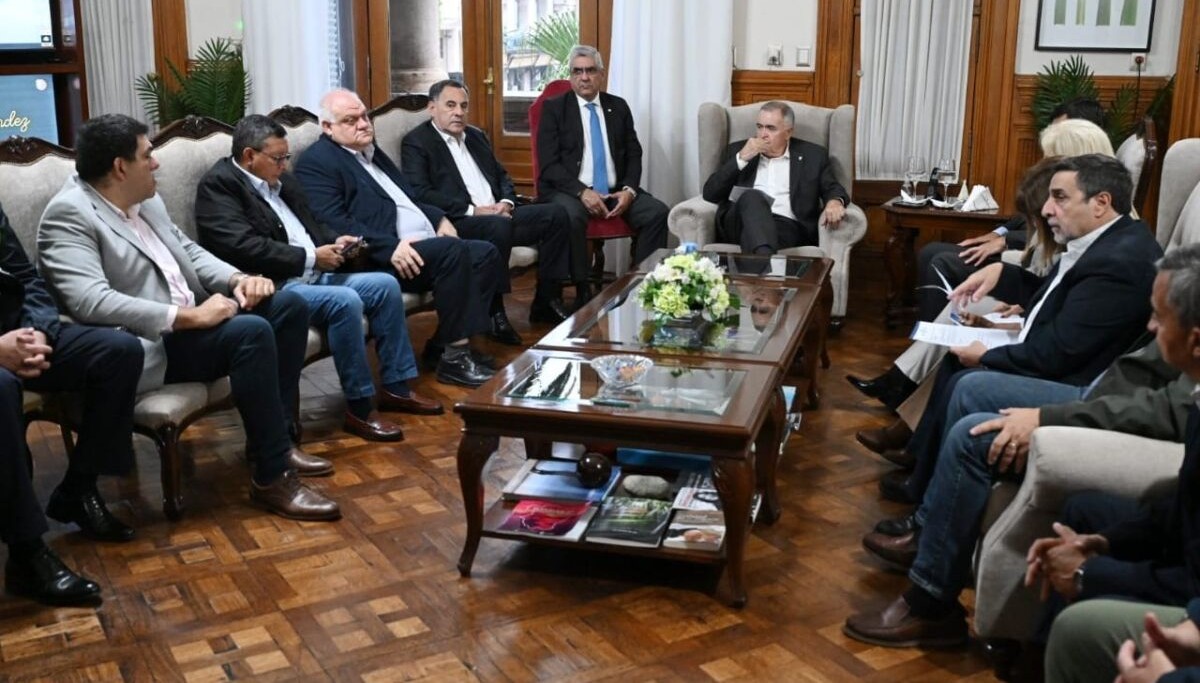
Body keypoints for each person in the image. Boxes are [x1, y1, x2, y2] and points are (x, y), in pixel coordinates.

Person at [842, 243, 1199, 651]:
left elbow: (1153, 405)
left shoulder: (1124, 258)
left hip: (1101, 412)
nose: (1149, 325)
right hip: (1101, 401)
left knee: (973, 433)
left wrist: (1047, 417)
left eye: (1158, 318)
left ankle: (929, 602)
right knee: (971, 391)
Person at [37, 114, 340, 522]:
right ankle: (272, 478)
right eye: (148, 155)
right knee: (249, 333)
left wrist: (238, 279)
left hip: (192, 321)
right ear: (120, 167)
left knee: (287, 306)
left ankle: (275, 442)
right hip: (147, 342)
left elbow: (188, 252)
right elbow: (90, 301)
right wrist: (187, 316)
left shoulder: (145, 199)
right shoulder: (69, 214)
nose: (156, 163)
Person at [853, 119, 1119, 454]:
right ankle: (909, 421)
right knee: (957, 299)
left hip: (1054, 360)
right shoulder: (1080, 227)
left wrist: (1010, 307)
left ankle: (909, 418)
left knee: (957, 306)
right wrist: (1002, 246)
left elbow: (1064, 334)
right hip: (1027, 292)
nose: (1044, 168)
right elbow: (1047, 278)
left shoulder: (1103, 248)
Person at [195, 114, 444, 443]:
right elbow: (243, 246)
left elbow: (312, 224)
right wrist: (312, 257)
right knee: (345, 301)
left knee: (384, 285)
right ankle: (359, 407)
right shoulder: (220, 186)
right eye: (277, 158)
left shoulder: (283, 180)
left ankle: (397, 387)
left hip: (315, 274)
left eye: (286, 156)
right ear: (249, 156)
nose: (285, 164)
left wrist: (337, 240)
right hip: (274, 285)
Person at [295, 89, 499, 387]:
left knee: (486, 254)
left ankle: (442, 345)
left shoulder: (369, 150)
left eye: (364, 116)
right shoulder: (318, 163)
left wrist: (437, 217)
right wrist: (390, 247)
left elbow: (408, 197)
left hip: (418, 244)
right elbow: (334, 224)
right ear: (327, 127)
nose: (363, 124)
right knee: (452, 251)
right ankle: (456, 359)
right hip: (379, 258)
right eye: (351, 120)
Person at [1, 202, 142, 606]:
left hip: (18, 335)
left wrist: (39, 333)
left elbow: (26, 278)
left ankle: (78, 489)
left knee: (118, 350)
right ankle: (27, 553)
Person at [402, 79, 577, 323]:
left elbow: (502, 175)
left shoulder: (475, 136)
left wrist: (506, 202)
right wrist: (475, 211)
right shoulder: (417, 142)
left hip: (499, 215)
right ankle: (495, 310)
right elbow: (421, 192)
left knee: (556, 214)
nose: (459, 112)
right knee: (498, 226)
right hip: (460, 221)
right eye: (450, 105)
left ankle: (547, 300)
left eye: (464, 106)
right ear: (432, 108)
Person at [534, 44, 669, 266]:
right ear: (571, 76)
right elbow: (549, 165)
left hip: (615, 191)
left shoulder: (618, 106)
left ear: (602, 74)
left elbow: (634, 153)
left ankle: (642, 281)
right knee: (571, 216)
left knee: (657, 213)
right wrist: (582, 192)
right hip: (570, 192)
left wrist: (629, 191)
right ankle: (580, 285)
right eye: (578, 71)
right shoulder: (555, 109)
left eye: (590, 70)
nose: (584, 77)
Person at [701, 100, 848, 254]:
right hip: (740, 222)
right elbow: (710, 193)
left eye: (771, 128)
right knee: (752, 197)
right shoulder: (738, 150)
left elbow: (832, 187)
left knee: (758, 238)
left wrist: (834, 202)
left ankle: (761, 260)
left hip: (786, 226)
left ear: (788, 132)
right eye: (759, 127)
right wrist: (741, 158)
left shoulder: (813, 156)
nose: (763, 135)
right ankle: (766, 261)